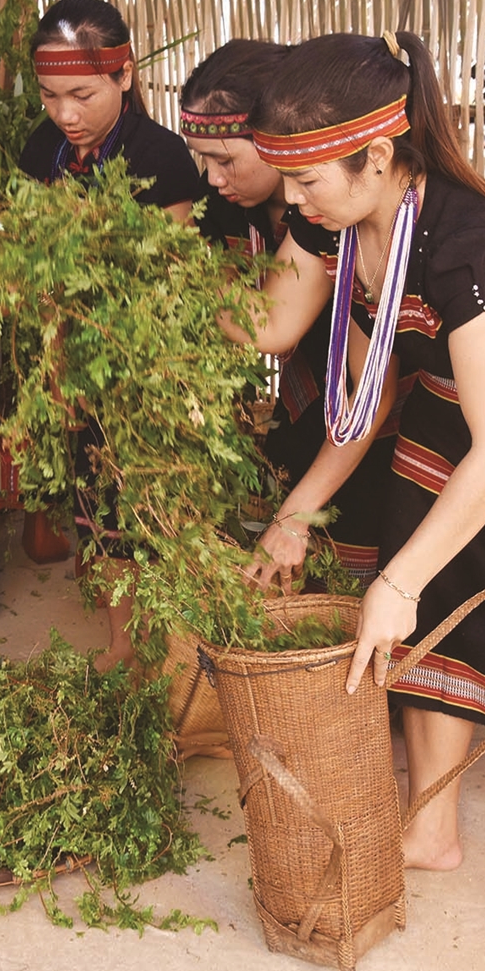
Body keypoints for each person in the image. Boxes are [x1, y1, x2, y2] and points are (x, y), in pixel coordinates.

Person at [229, 31, 485, 956]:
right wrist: (296, 516)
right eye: (284, 181)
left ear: (376, 156)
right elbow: (366, 408)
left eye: (307, 181)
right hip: (455, 401)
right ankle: (432, 827)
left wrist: (394, 581)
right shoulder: (340, 222)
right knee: (433, 593)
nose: (291, 202)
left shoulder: (466, 242)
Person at [20, 0, 204, 671]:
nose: (64, 113)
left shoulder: (162, 159)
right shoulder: (43, 151)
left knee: (154, 498)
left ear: (124, 76)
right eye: (49, 95)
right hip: (75, 354)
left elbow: (167, 277)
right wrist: (56, 361)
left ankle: (177, 647)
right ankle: (123, 641)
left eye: (81, 93)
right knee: (97, 499)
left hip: (148, 361)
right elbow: (32, 263)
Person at [180, 39, 399, 591]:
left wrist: (175, 286)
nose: (210, 178)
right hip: (305, 407)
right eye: (201, 160)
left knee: (357, 569)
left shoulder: (342, 212)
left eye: (226, 159)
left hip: (370, 412)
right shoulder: (228, 209)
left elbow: (269, 329)